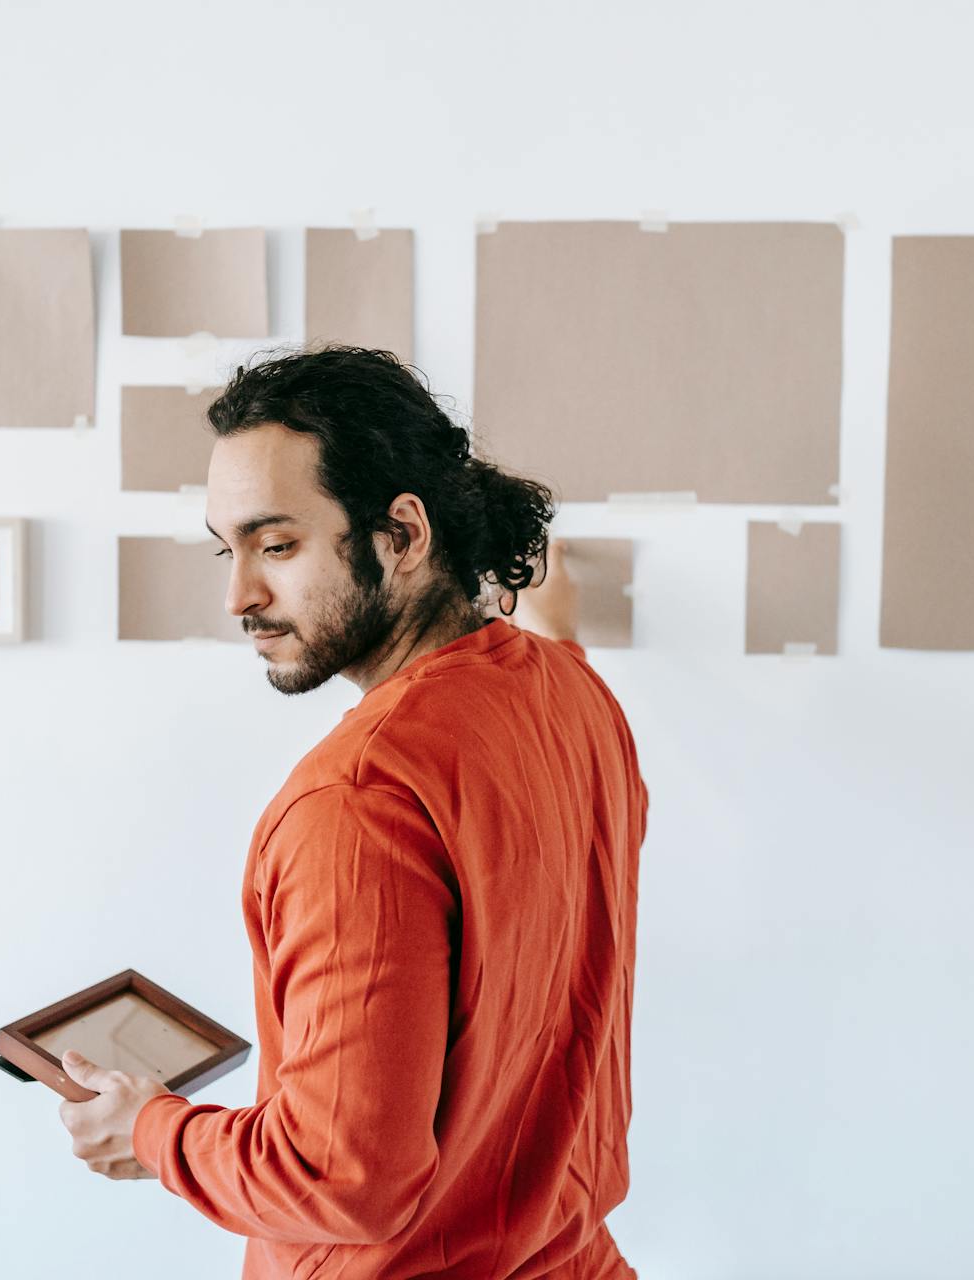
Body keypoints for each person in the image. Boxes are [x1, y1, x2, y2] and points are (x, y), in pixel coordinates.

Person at [57, 347, 646, 1279]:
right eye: (227, 548)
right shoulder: (573, 700)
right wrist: (550, 618)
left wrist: (151, 1131)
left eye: (277, 545)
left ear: (402, 535)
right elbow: (551, 652)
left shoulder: (356, 806)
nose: (239, 597)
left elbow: (340, 1177)